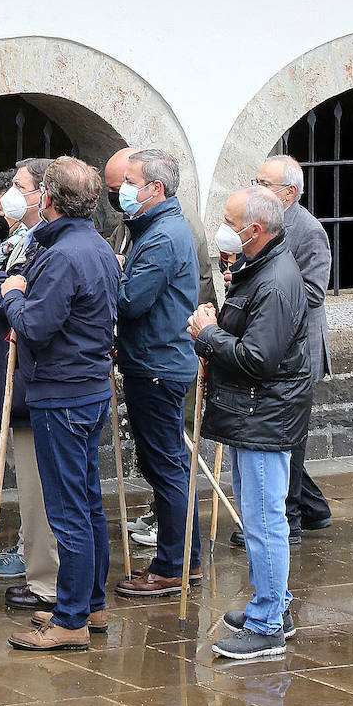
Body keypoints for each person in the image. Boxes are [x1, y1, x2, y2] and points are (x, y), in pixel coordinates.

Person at [0, 157, 119, 651]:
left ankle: (72, 618)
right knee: (87, 505)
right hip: (87, 388)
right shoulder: (93, 244)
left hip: (64, 392)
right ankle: (90, 605)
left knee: (70, 510)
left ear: (48, 200)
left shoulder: (65, 255)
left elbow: (34, 325)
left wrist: (11, 294)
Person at [188, 185, 311, 660]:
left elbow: (258, 358)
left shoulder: (276, 280)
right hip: (254, 413)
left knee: (263, 521)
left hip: (265, 414)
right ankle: (272, 603)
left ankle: (266, 624)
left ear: (254, 230)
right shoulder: (257, 269)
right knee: (259, 516)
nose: (223, 226)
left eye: (228, 219)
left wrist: (208, 335)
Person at [0, 158, 62, 611]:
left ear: (45, 194)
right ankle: (35, 557)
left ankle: (49, 577)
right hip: (18, 373)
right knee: (32, 482)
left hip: (37, 377)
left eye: (19, 186)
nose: (9, 195)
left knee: (43, 483)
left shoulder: (47, 245)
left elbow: (15, 298)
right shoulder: (21, 236)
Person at [111, 150, 203, 598]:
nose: (123, 190)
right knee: (167, 465)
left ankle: (173, 564)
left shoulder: (164, 235)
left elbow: (131, 302)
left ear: (156, 189)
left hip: (157, 363)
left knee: (165, 466)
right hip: (155, 359)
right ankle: (188, 557)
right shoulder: (155, 229)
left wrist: (112, 271)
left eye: (131, 181)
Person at [250, 154, 333, 542]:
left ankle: (291, 518)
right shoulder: (264, 222)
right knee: (284, 434)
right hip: (272, 341)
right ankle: (313, 507)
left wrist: (270, 285)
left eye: (265, 184)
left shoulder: (309, 230)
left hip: (298, 347)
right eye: (256, 180)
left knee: (289, 435)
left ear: (289, 192)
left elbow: (314, 291)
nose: (257, 188)